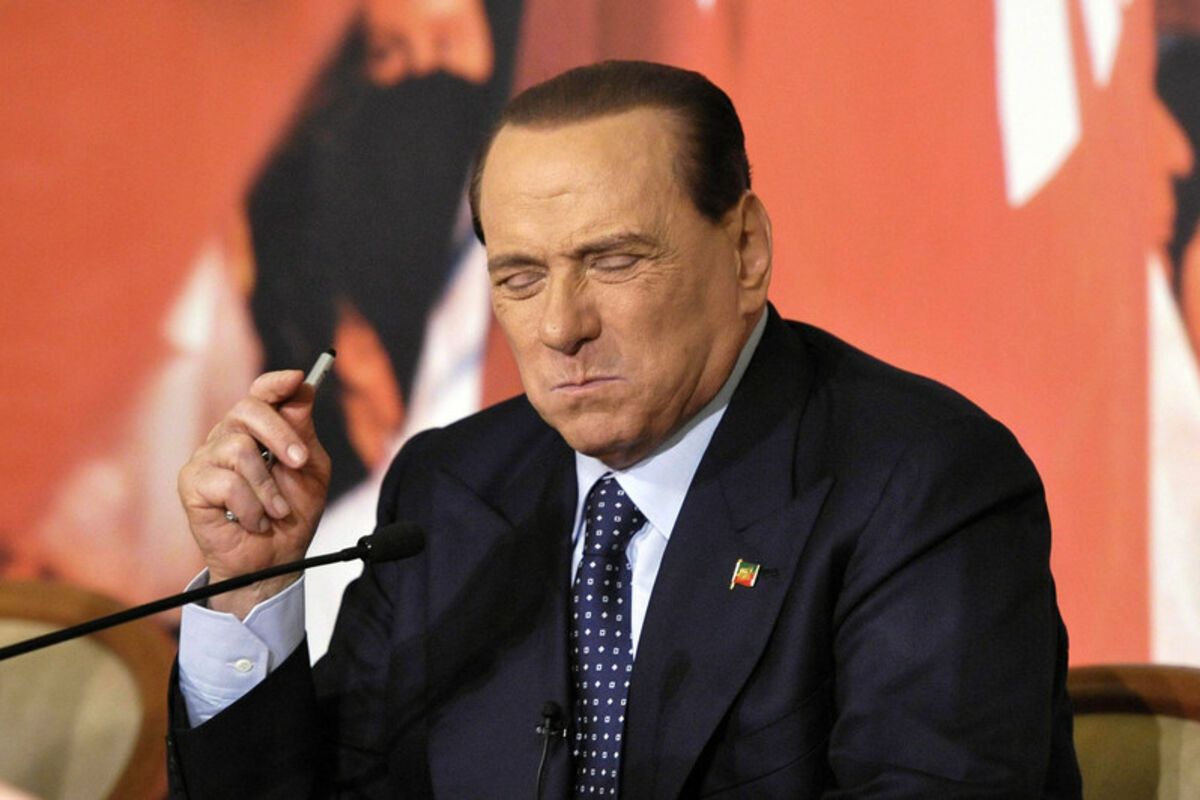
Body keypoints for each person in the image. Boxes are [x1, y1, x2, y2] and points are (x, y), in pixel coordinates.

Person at [167, 60, 1081, 798]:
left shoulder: (918, 484)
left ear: (746, 251)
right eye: (521, 278)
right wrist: (254, 589)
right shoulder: (451, 490)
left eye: (612, 261)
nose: (561, 326)